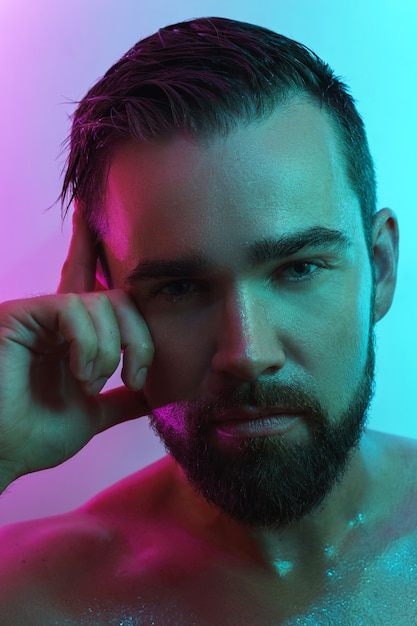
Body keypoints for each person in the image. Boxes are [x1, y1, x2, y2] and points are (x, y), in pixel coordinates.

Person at [0, 16, 414, 624]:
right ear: (102, 303)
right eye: (180, 287)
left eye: (298, 269)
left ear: (379, 269)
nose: (246, 351)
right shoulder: (32, 598)